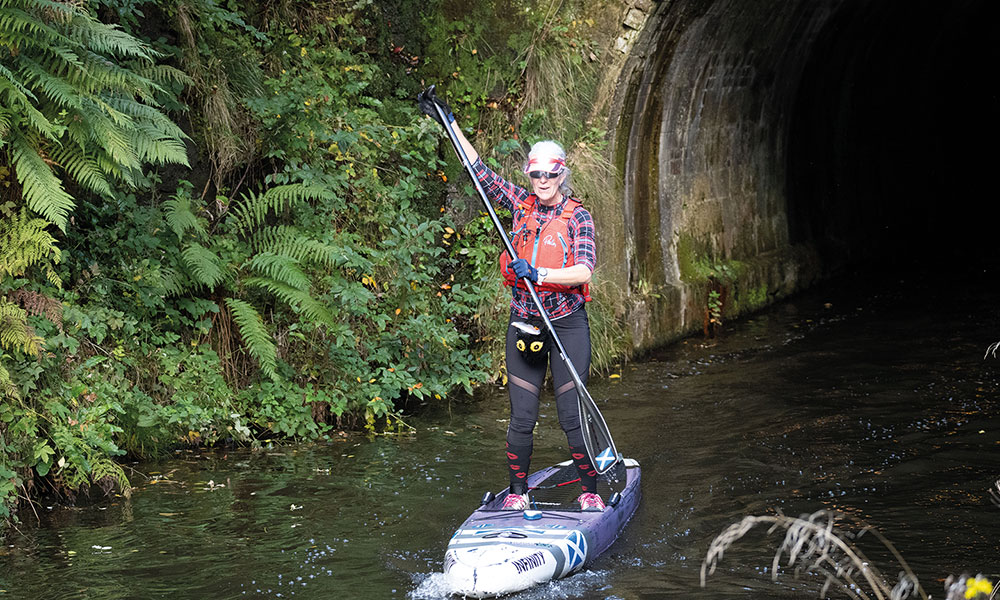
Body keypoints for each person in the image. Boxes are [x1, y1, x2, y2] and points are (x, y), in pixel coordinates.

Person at [418, 86, 604, 512]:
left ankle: (590, 491)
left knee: (571, 416)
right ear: (529, 176)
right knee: (522, 417)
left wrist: (539, 273)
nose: (543, 181)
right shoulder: (520, 205)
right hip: (525, 324)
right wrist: (449, 122)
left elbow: (583, 271)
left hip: (566, 325)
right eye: (536, 175)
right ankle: (518, 494)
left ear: (562, 175)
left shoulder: (578, 216)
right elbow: (478, 171)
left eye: (550, 174)